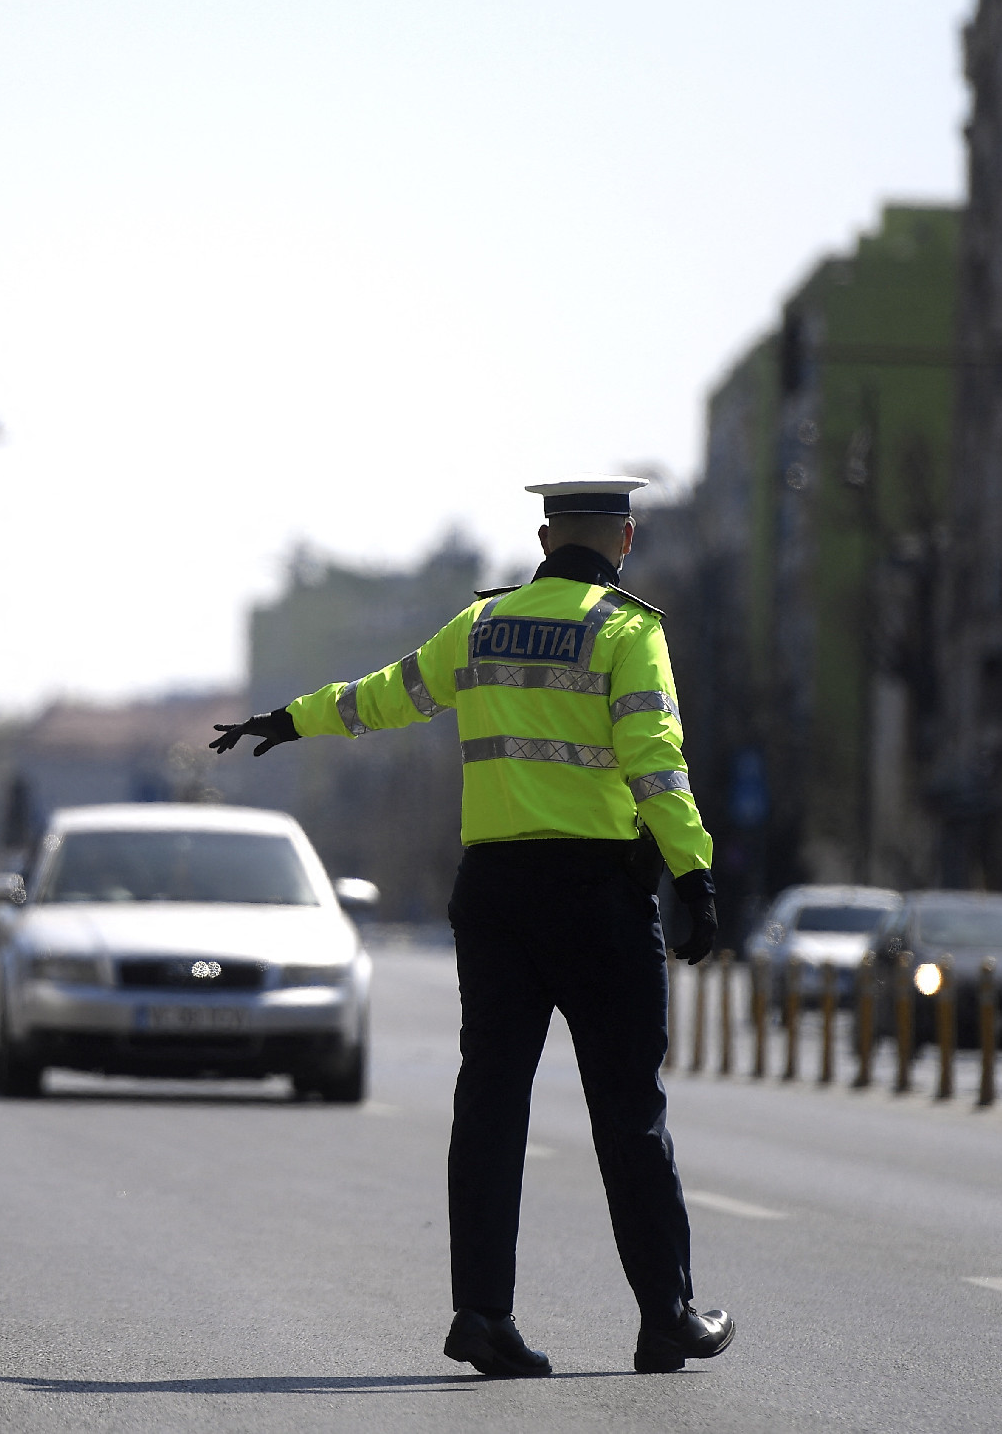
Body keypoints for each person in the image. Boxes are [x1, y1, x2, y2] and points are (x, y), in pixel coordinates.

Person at [210, 476, 735, 1377]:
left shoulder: (482, 626)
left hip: (491, 891)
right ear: (626, 540)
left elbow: (388, 694)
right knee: (627, 1109)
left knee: (490, 1103)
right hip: (594, 894)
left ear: (542, 537)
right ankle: (666, 1316)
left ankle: (483, 1314)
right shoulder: (625, 631)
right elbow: (655, 756)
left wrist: (290, 720)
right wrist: (694, 873)